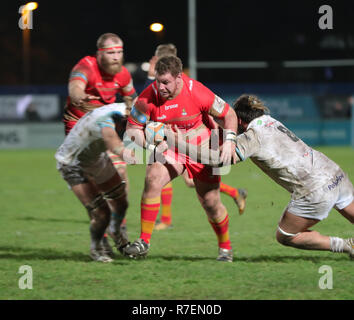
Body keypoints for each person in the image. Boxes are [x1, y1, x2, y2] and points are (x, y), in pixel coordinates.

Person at [170, 94, 354, 259]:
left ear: (240, 122)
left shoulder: (252, 137)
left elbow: (218, 159)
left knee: (286, 235)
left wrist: (177, 142)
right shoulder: (268, 120)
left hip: (314, 188)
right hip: (332, 171)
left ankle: (346, 245)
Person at [124, 55, 239, 262]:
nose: (160, 87)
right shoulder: (146, 99)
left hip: (202, 146)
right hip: (171, 147)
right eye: (158, 82)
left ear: (179, 78)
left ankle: (225, 248)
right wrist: (151, 145)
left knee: (211, 202)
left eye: (166, 82)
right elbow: (133, 130)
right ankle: (143, 241)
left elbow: (229, 114)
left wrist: (229, 141)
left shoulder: (197, 92)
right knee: (152, 179)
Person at [144, 44, 247, 231]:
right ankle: (165, 219)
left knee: (191, 183)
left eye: (154, 59)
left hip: (194, 141)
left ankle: (167, 219)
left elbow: (209, 114)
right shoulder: (161, 85)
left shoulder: (184, 86)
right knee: (159, 174)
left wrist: (221, 139)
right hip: (172, 139)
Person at [62, 33, 137, 249]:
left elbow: (131, 96)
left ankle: (119, 226)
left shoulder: (122, 74)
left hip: (105, 128)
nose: (116, 57)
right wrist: (79, 96)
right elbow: (75, 87)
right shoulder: (86, 66)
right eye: (111, 52)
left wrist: (132, 111)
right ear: (99, 54)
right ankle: (101, 231)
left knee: (121, 172)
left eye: (119, 52)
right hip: (80, 130)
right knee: (92, 183)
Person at [55, 104, 132, 262]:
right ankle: (96, 248)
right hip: (72, 163)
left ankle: (116, 233)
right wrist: (128, 153)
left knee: (121, 204)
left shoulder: (129, 111)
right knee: (102, 213)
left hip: (97, 159)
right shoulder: (106, 119)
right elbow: (112, 141)